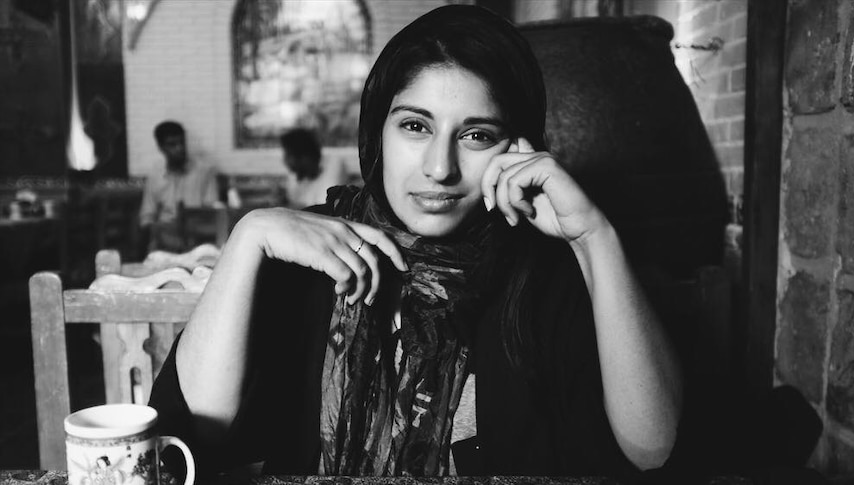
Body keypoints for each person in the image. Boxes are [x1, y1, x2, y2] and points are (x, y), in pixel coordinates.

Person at [150, 5, 681, 481]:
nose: (439, 168)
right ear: (377, 131)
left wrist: (594, 239)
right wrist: (248, 238)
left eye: (476, 135)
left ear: (518, 147)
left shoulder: (540, 265)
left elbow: (652, 451)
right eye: (415, 126)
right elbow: (194, 433)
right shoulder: (314, 247)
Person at [138, 120, 219, 251]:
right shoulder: (155, 175)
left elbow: (211, 211)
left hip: (197, 236)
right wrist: (156, 233)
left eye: (182, 142)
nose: (180, 148)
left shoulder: (204, 171)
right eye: (172, 144)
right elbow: (147, 216)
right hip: (165, 236)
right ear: (161, 147)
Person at [280, 127, 347, 209]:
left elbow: (326, 208)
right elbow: (293, 200)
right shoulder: (296, 173)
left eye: (289, 156)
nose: (285, 161)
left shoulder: (334, 165)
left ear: (305, 157)